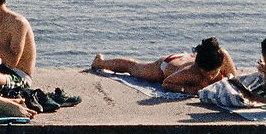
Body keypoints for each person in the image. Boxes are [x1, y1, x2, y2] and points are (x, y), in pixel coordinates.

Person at [91, 39, 236, 93]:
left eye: (213, 73)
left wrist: (229, 79)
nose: (211, 76)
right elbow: (167, 84)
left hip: (187, 58)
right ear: (199, 68)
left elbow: (234, 78)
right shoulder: (189, 73)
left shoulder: (222, 56)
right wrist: (189, 90)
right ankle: (100, 62)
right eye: (206, 73)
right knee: (133, 68)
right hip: (166, 66)